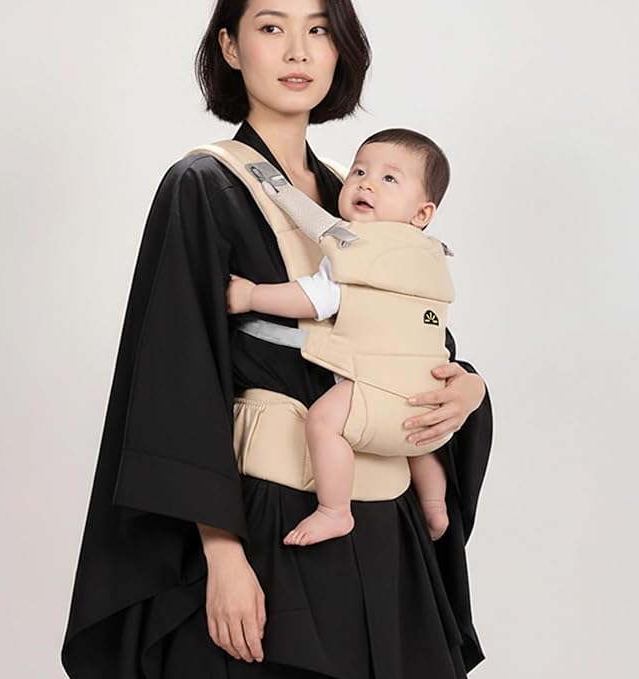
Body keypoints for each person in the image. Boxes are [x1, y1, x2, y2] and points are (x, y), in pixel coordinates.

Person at [61, 1, 493, 678]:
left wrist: (468, 387)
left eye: (318, 29)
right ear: (230, 48)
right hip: (270, 524)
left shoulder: (359, 192)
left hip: (386, 525)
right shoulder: (202, 186)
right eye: (271, 27)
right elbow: (177, 375)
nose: (298, 50)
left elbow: (409, 333)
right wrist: (222, 554)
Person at [226, 128, 455, 547]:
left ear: (422, 213)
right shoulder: (431, 254)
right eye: (359, 171)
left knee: (323, 421)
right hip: (428, 388)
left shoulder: (360, 248)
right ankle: (435, 503)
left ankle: (334, 510)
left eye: (389, 178)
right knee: (417, 440)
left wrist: (251, 295)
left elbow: (316, 298)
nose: (366, 184)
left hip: (373, 385)